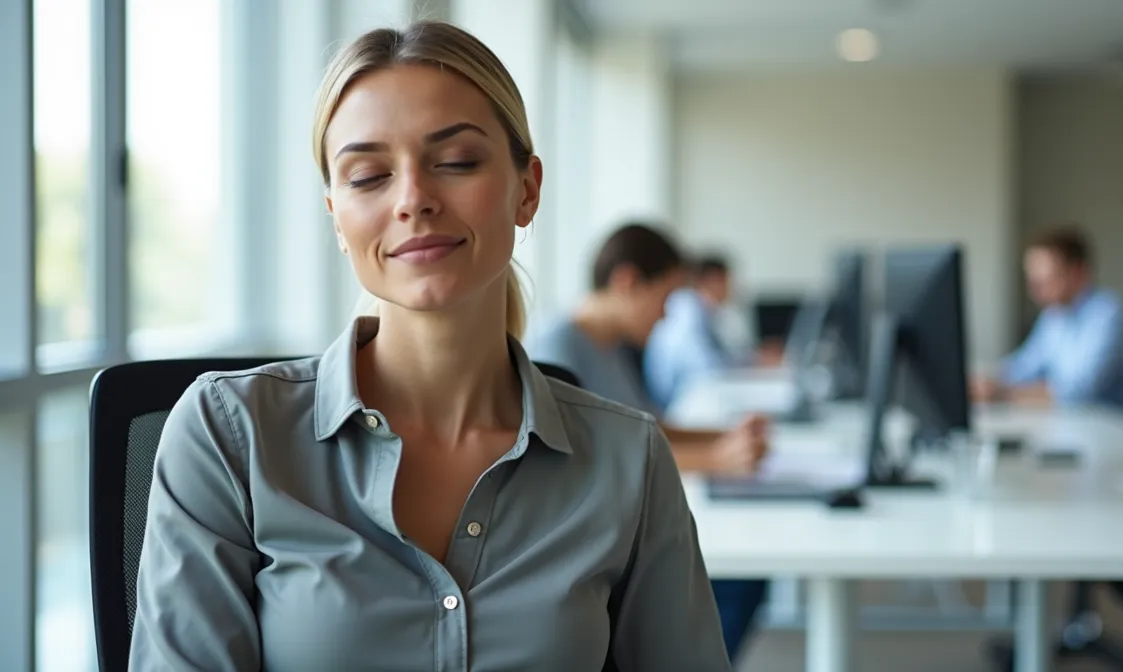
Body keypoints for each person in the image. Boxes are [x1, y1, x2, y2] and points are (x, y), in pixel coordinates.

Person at [128, 21, 731, 671]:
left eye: (456, 162)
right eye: (368, 176)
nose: (413, 198)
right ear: (337, 215)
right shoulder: (231, 436)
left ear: (526, 189)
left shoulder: (628, 461)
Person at [525, 223, 771, 664]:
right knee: (739, 580)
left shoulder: (611, 346)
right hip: (589, 529)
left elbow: (646, 428)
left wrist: (725, 438)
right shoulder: (558, 348)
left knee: (748, 577)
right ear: (627, 282)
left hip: (621, 512)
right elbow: (597, 454)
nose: (664, 317)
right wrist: (717, 459)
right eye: (663, 299)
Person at [972, 225, 1123, 407]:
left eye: (1046, 280)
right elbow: (1024, 365)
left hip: (1109, 425)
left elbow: (1079, 392)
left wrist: (1001, 393)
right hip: (1070, 422)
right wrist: (986, 380)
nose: (1034, 291)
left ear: (1077, 272)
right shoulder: (1054, 314)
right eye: (1033, 281)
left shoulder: (1108, 314)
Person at [643, 254, 769, 412]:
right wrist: (753, 363)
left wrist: (753, 359)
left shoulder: (703, 311)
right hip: (675, 406)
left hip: (689, 397)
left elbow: (719, 355)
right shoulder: (686, 308)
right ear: (714, 280)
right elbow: (707, 367)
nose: (731, 288)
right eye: (728, 281)